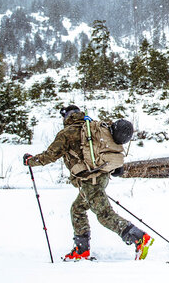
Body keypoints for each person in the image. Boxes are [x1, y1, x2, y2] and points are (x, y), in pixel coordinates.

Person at [23, 105, 153, 261]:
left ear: (66, 117)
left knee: (105, 215)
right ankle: (81, 250)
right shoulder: (93, 126)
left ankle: (139, 238)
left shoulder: (67, 133)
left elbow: (49, 156)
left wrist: (31, 161)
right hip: (101, 176)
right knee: (77, 209)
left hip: (91, 180)